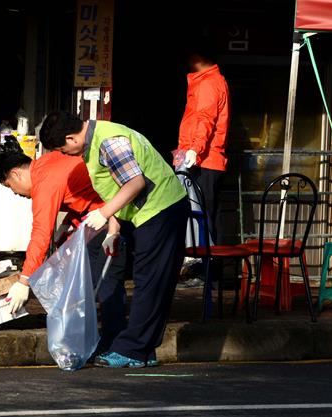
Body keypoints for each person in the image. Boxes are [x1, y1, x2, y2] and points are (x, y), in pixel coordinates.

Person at [40, 111, 188, 369]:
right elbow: (119, 189)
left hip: (161, 210)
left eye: (63, 149)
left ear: (71, 138)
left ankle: (132, 350)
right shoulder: (98, 138)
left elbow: (134, 183)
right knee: (151, 282)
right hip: (151, 212)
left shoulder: (109, 143)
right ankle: (144, 350)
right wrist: (114, 229)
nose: (66, 155)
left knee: (149, 282)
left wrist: (104, 213)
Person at [0, 149, 127, 353]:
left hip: (113, 219)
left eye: (10, 186)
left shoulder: (43, 182)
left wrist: (24, 281)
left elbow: (40, 234)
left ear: (15, 174)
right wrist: (67, 222)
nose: (15, 193)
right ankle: (106, 341)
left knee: (105, 281)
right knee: (93, 281)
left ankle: (117, 346)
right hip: (103, 216)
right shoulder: (48, 162)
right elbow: (81, 191)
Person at [176, 46, 230, 242]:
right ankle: (209, 265)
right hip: (202, 157)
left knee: (202, 216)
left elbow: (206, 117)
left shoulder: (208, 82)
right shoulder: (209, 81)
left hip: (202, 160)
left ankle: (206, 266)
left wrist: (193, 149)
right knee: (206, 215)